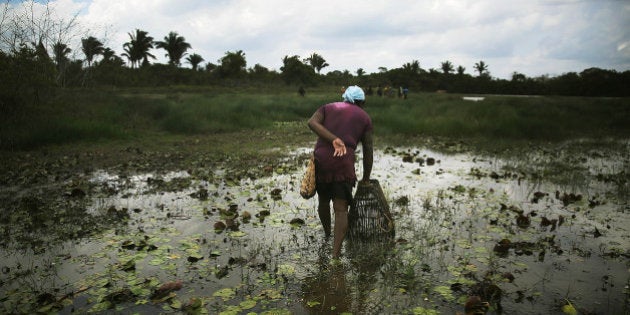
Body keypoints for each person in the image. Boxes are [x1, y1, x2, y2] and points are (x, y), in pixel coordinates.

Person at [307, 85, 374, 260]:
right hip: (343, 163)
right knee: (341, 209)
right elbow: (368, 149)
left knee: (323, 201)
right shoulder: (365, 118)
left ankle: (328, 234)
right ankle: (335, 255)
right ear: (362, 102)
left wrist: (332, 139)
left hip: (321, 160)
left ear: (344, 97)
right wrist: (366, 177)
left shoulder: (328, 107)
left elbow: (311, 122)